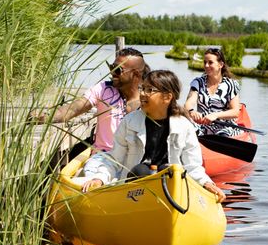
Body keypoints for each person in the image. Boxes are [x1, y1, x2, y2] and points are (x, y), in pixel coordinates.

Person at [80, 70, 225, 201]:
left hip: (171, 189)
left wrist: (207, 184)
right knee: (141, 170)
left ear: (167, 97)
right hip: (133, 191)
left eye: (149, 90)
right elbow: (114, 159)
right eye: (142, 88)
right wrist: (99, 178)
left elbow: (192, 166)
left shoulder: (185, 126)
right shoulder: (129, 122)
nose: (142, 93)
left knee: (170, 170)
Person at [31, 47, 147, 152]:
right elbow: (73, 109)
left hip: (135, 157)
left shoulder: (149, 97)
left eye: (117, 70)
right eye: (111, 67)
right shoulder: (103, 89)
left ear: (135, 74)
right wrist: (46, 116)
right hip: (104, 156)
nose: (112, 73)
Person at [185, 46, 241, 137]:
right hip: (201, 125)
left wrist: (216, 115)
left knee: (223, 135)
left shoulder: (231, 84)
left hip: (224, 127)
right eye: (205, 62)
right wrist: (192, 111)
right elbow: (189, 103)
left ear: (221, 65)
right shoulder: (197, 82)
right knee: (187, 128)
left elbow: (235, 112)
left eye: (210, 62)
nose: (206, 65)